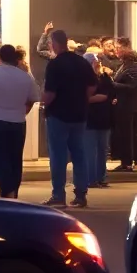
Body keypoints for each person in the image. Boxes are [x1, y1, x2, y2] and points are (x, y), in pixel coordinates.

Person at [40, 28, 97, 207]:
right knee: (79, 154)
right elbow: (92, 86)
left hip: (58, 115)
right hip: (79, 114)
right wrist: (82, 99)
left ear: (54, 43)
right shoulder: (81, 62)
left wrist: (44, 105)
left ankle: (58, 195)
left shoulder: (55, 64)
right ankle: (81, 195)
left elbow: (50, 93)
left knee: (58, 155)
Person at [0, 44, 39, 198]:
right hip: (18, 122)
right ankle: (14, 191)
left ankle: (6, 191)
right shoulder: (25, 77)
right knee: (15, 158)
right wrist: (22, 111)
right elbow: (32, 99)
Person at [111, 40, 137, 172]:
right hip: (136, 106)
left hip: (128, 106)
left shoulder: (132, 69)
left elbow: (131, 87)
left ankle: (127, 162)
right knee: (136, 134)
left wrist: (112, 84)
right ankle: (136, 161)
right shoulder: (133, 68)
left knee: (127, 134)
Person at [84, 52, 115, 189]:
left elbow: (107, 95)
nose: (97, 63)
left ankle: (100, 177)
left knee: (101, 150)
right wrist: (98, 98)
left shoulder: (104, 78)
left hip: (101, 118)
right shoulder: (86, 78)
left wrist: (93, 98)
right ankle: (92, 178)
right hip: (91, 119)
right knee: (92, 150)